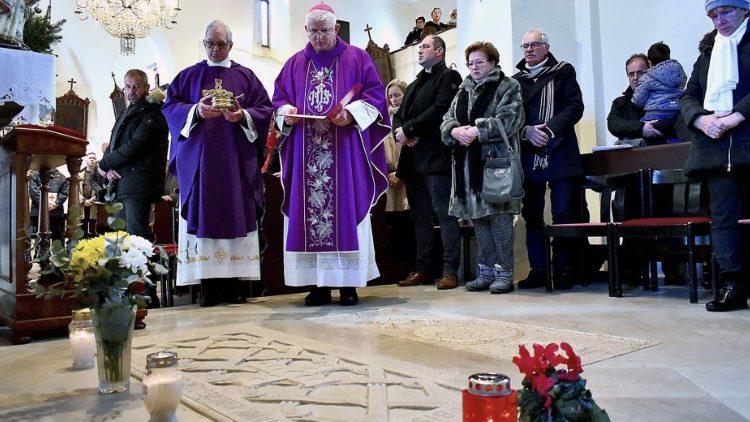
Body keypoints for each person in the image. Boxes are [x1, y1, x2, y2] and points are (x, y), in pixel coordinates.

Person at [272, 3, 389, 307]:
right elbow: (280, 99)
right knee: (307, 212)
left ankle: (349, 284)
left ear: (336, 29)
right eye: (314, 31)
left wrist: (351, 113)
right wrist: (288, 113)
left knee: (346, 211)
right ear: (306, 31)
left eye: (325, 30)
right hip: (305, 153)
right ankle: (318, 285)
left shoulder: (357, 58)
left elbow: (375, 97)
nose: (319, 37)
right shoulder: (294, 63)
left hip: (345, 153)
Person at [163, 20, 273, 307]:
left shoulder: (246, 77)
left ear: (231, 45)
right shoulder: (187, 77)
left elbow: (264, 110)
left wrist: (243, 116)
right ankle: (208, 288)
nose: (215, 48)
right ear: (203, 44)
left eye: (221, 43)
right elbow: (171, 109)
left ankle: (236, 286)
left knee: (237, 213)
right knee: (204, 216)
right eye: (210, 43)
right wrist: (196, 110)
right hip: (201, 166)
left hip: (236, 164)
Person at [681, 0, 750, 312]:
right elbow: (689, 95)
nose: (719, 20)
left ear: (743, 9)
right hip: (716, 147)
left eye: (726, 12)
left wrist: (737, 116)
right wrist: (700, 119)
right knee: (722, 219)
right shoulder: (708, 51)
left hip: (746, 136)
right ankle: (731, 283)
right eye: (713, 15)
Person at [441, 41, 525, 294]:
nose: (474, 67)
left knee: (500, 221)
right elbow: (447, 120)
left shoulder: (508, 86)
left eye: (479, 62)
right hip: (468, 169)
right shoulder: (462, 91)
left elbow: (511, 119)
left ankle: (504, 273)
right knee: (479, 221)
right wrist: (455, 131)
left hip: (496, 166)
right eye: (470, 63)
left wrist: (478, 130)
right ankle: (486, 271)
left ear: (493, 62)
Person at [512, 29, 585, 290]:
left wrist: (548, 130)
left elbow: (574, 106)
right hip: (529, 152)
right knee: (531, 214)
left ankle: (565, 268)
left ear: (546, 46)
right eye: (524, 46)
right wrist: (527, 132)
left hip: (560, 150)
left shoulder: (563, 71)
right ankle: (539, 269)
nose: (529, 50)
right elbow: (512, 117)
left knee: (564, 211)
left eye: (534, 45)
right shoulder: (515, 81)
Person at [393, 35, 462, 290]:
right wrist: (401, 130)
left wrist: (409, 129)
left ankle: (450, 271)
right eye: (419, 46)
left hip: (436, 158)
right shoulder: (413, 84)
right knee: (419, 218)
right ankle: (423, 269)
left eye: (425, 46)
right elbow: (398, 117)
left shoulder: (449, 78)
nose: (419, 50)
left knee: (445, 215)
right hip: (413, 160)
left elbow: (440, 109)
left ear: (440, 52)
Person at [98, 69, 169, 241]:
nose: (132, 91)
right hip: (122, 183)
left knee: (137, 237)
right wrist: (106, 169)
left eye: (136, 86)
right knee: (122, 238)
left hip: (138, 184)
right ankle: (125, 269)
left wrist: (104, 164)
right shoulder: (126, 112)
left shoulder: (154, 112)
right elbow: (114, 143)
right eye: (128, 87)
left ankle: (142, 269)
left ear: (147, 87)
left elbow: (135, 146)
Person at [384, 79, 416, 275]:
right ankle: (399, 265)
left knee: (410, 222)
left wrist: (401, 172)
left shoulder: (410, 116)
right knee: (393, 224)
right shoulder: (383, 119)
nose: (394, 100)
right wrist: (389, 171)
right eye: (390, 97)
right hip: (389, 177)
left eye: (398, 95)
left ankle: (414, 264)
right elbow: (377, 148)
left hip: (408, 175)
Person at [631, 41, 687, 143]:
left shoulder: (647, 77)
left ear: (649, 62)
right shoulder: (680, 71)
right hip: (677, 114)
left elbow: (638, 100)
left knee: (633, 133)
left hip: (655, 115)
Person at [78, 152, 101, 237]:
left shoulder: (100, 175)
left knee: (93, 230)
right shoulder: (79, 174)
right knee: (82, 230)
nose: (92, 159)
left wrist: (93, 199)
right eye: (90, 158)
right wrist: (83, 200)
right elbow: (74, 190)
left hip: (94, 204)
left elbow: (102, 188)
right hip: (81, 205)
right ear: (86, 160)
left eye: (94, 158)